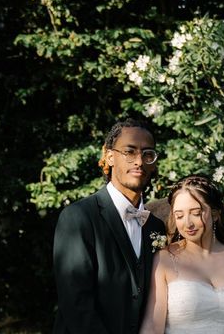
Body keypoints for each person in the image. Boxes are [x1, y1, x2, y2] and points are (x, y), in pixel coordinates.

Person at [52, 119, 166, 334]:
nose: (139, 161)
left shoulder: (155, 227)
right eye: (129, 152)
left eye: (147, 153)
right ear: (110, 156)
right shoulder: (78, 217)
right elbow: (77, 304)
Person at [140, 175, 224, 334]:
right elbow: (152, 328)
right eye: (179, 215)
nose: (188, 223)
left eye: (195, 212)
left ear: (215, 214)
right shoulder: (164, 260)